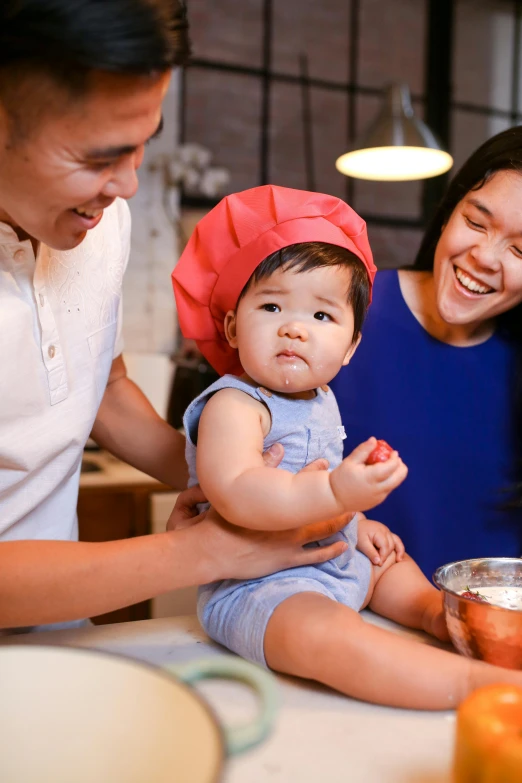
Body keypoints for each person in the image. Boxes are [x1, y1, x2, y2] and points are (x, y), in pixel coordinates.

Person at [0, 0, 350, 634]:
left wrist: (237, 479)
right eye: (100, 157)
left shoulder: (99, 223)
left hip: (59, 644)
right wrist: (199, 553)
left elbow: (101, 391)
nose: (128, 185)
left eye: (142, 146)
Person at [172, 184, 522, 710]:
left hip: (330, 556)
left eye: (321, 317)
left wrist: (359, 523)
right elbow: (238, 492)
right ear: (232, 327)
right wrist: (338, 493)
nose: (294, 328)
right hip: (261, 585)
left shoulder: (321, 400)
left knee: (393, 563)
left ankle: (436, 614)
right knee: (326, 634)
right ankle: (478, 687)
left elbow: (318, 499)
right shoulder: (235, 404)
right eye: (271, 306)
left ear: (352, 344)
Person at [330, 127, 522, 580]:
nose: (485, 256)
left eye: (520, 249)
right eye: (476, 222)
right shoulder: (340, 310)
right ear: (448, 212)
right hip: (349, 624)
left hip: (490, 635)